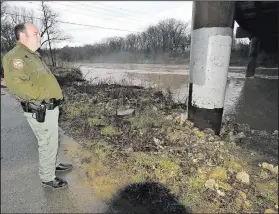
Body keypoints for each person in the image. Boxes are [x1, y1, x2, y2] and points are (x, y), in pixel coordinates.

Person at [2, 23, 72, 189]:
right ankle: (47, 176)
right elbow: (17, 85)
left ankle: (53, 164)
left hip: (48, 106)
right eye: (36, 33)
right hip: (40, 108)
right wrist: (46, 95)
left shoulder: (32, 55)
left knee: (52, 139)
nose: (40, 36)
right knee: (47, 141)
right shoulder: (16, 57)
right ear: (23, 35)